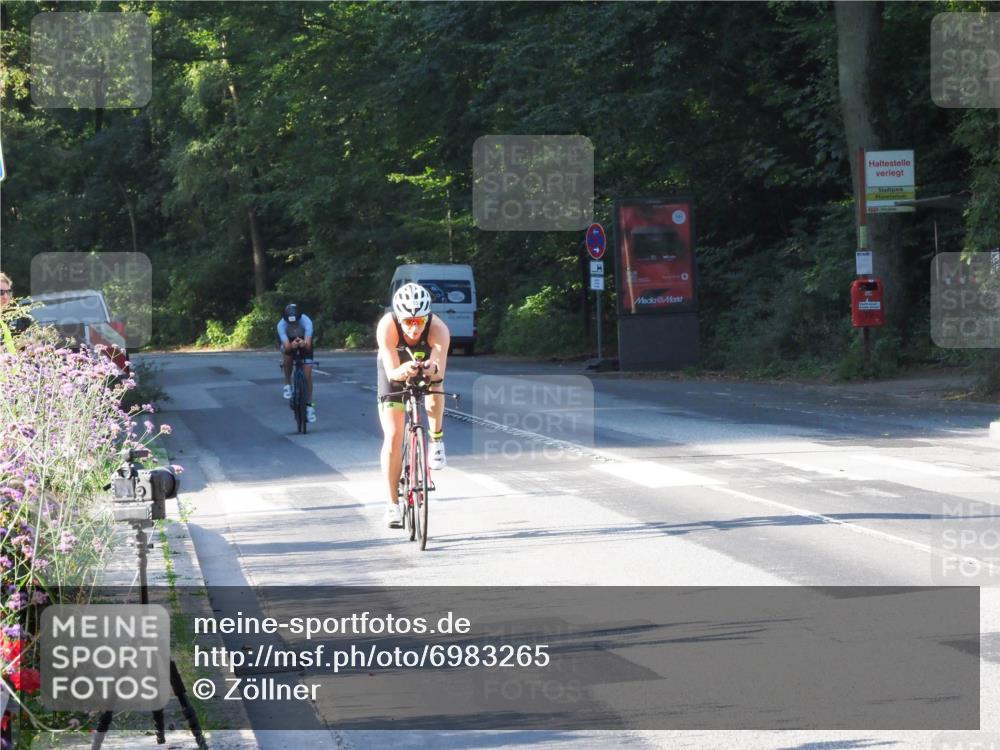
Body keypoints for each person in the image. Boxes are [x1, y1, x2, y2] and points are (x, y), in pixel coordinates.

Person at [377, 283, 450, 528]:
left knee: (436, 384)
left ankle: (436, 440)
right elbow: (390, 370)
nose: (414, 327)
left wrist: (431, 367)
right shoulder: (388, 326)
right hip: (395, 369)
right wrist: (402, 370)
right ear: (399, 316)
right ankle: (392, 505)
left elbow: (439, 368)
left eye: (419, 321)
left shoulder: (438, 328)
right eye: (408, 321)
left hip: (425, 365)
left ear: (427, 316)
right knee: (394, 435)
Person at [277, 303, 316, 423]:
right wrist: (292, 346)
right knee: (287, 356)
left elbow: (308, 347)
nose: (293, 325)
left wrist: (304, 344)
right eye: (290, 323)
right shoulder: (281, 325)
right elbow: (287, 348)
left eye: (295, 322)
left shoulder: (306, 321)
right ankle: (287, 384)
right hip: (289, 342)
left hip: (304, 340)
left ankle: (309, 406)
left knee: (307, 375)